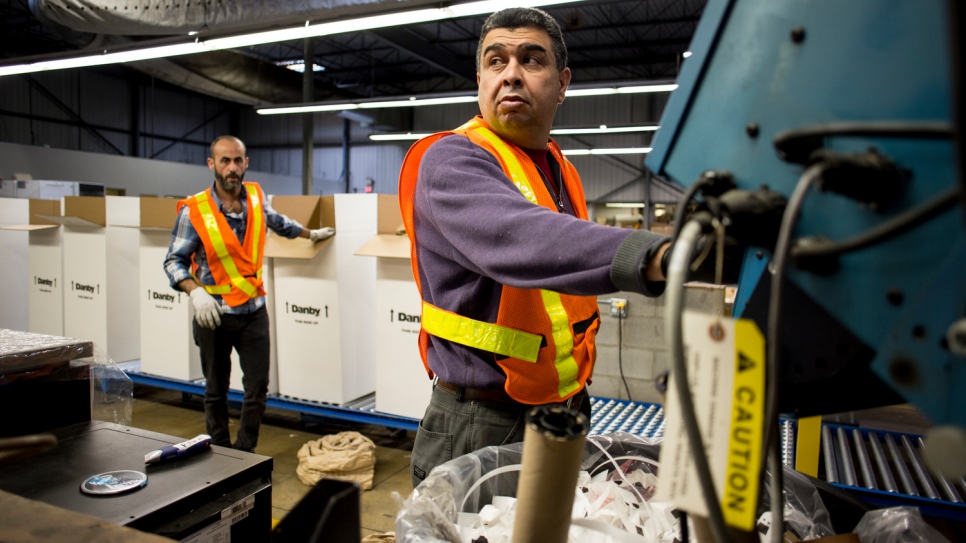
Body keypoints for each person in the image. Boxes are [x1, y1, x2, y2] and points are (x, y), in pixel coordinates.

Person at [398, 7, 674, 486]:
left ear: (562, 83)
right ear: (480, 77)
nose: (511, 75)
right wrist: (657, 255)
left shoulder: (561, 170)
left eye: (531, 60)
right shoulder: (449, 160)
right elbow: (523, 239)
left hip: (564, 405)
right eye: (496, 61)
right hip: (482, 420)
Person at [164, 135, 335, 453]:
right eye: (225, 161)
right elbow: (173, 261)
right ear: (211, 163)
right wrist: (194, 292)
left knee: (257, 388)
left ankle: (244, 453)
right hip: (213, 313)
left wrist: (311, 234)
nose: (232, 167)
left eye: (238, 160)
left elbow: (278, 222)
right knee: (215, 390)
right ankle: (219, 453)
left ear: (246, 163)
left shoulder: (256, 197)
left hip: (253, 311)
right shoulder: (195, 210)